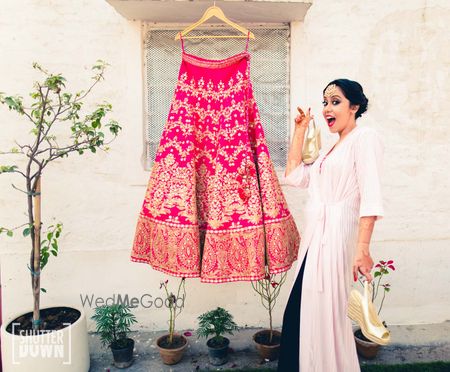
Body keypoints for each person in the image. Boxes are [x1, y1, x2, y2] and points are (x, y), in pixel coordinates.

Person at [277, 79, 384, 372]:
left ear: (355, 107)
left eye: (335, 101)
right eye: (325, 102)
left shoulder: (365, 138)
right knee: (300, 314)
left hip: (337, 238)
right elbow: (295, 176)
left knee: (324, 315)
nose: (327, 108)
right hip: (315, 239)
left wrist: (362, 249)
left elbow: (371, 197)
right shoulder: (327, 152)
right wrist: (300, 130)